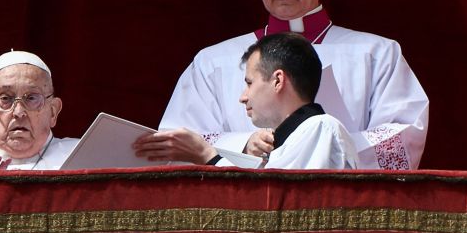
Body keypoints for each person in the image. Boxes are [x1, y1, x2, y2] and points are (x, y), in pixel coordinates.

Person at [143, 0, 427, 170]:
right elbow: (176, 144)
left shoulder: (376, 54)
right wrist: (244, 145)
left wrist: (316, 144)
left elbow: (402, 138)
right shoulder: (212, 62)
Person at [137, 33, 357, 170]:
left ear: (278, 80)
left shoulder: (320, 128)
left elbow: (273, 207)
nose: (243, 97)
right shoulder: (296, 138)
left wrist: (207, 156)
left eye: (250, 83)